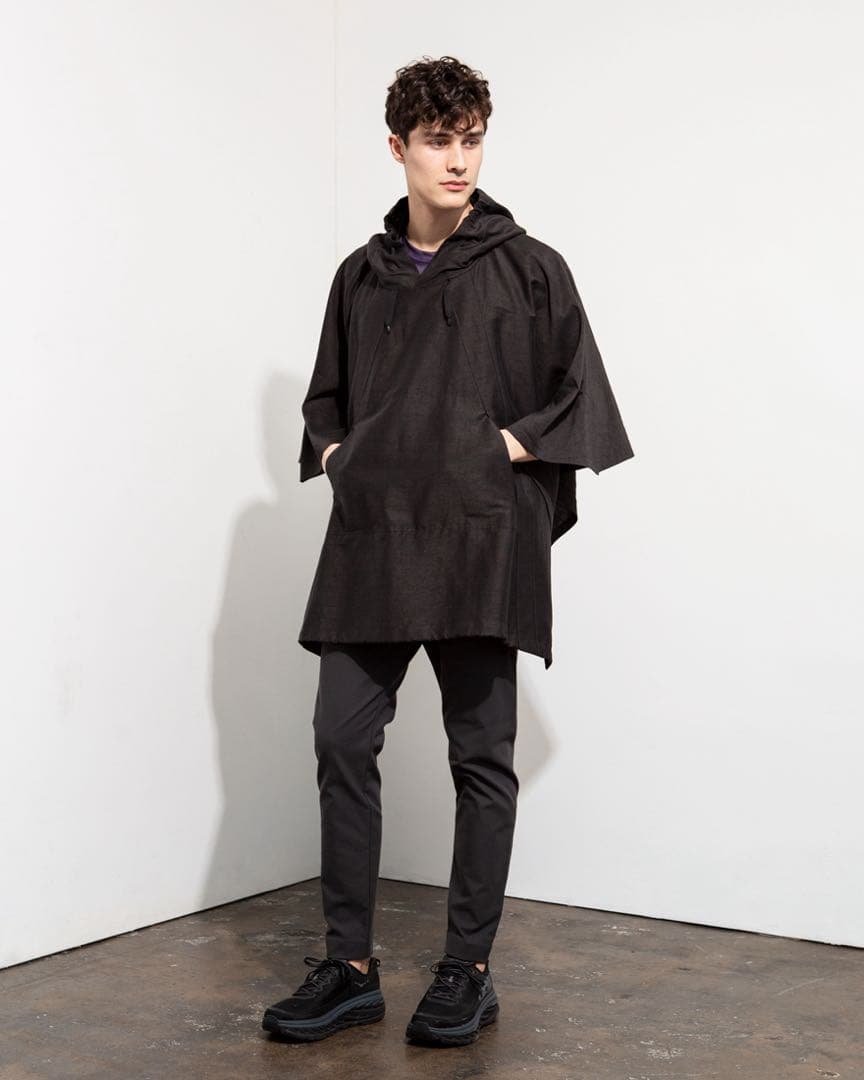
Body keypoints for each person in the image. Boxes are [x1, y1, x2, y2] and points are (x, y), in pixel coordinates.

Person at [262, 55, 634, 1048]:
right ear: (398, 148)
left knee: (481, 756)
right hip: (376, 539)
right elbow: (326, 401)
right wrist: (342, 457)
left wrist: (495, 449)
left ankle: (467, 970)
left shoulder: (531, 267)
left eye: (471, 138)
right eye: (438, 140)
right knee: (342, 739)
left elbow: (580, 396)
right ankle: (348, 969)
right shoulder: (360, 275)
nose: (458, 159)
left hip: (477, 536)